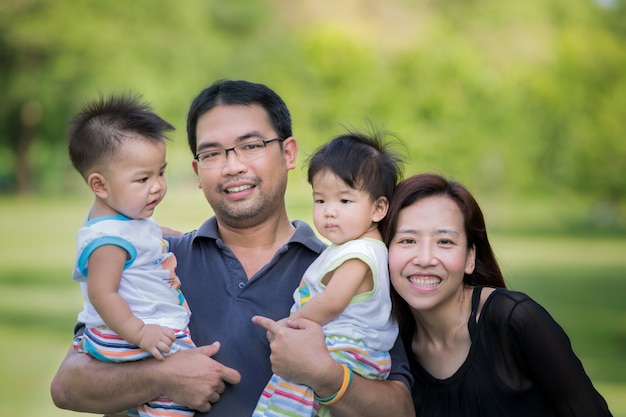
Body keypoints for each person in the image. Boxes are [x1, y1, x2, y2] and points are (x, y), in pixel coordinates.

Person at [51, 79, 415, 417]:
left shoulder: (342, 273)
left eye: (251, 146)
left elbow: (400, 408)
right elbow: (68, 386)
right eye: (212, 154)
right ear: (197, 171)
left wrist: (326, 376)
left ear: (288, 154)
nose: (232, 166)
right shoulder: (157, 260)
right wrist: (163, 376)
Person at [381, 173, 613, 417]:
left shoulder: (515, 320)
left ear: (470, 257)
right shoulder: (387, 348)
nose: (425, 259)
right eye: (408, 240)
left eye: (445, 242)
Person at [252, 131, 403, 417]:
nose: (329, 212)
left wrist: (289, 323)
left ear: (378, 208)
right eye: (320, 201)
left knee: (289, 399)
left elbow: (332, 302)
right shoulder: (347, 247)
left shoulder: (361, 253)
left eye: (344, 201)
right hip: (336, 346)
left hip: (346, 349)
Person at [67, 94, 195, 417]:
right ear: (100, 185)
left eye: (161, 173)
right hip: (127, 334)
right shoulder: (108, 242)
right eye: (143, 179)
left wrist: (164, 234)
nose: (157, 187)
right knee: (175, 400)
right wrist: (140, 332)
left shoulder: (125, 219)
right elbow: (102, 293)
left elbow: (140, 235)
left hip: (140, 329)